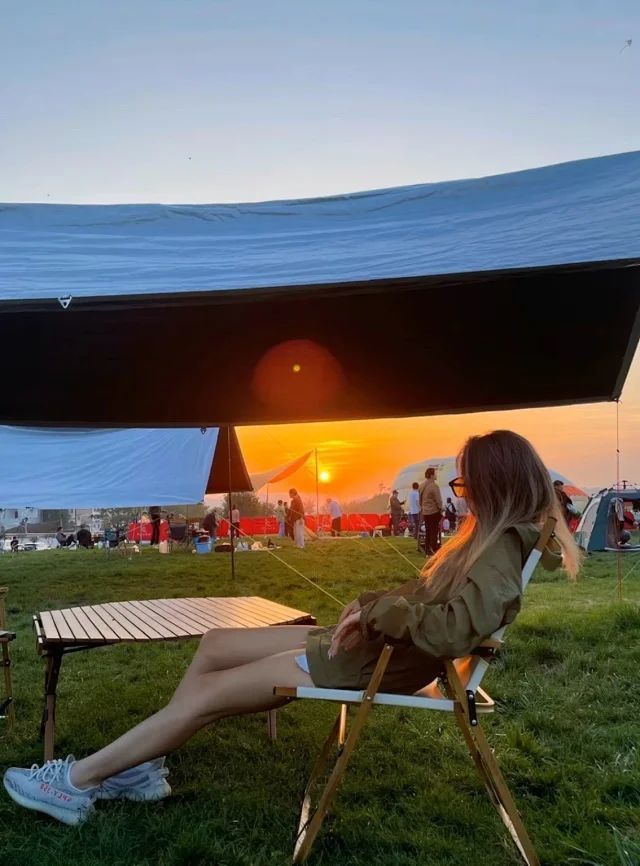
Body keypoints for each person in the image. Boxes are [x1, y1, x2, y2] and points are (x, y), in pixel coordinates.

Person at [2, 430, 580, 827]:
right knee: (216, 644)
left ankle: (76, 784)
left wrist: (374, 613)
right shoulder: (492, 539)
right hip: (370, 649)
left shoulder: (502, 549)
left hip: (373, 663)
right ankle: (141, 765)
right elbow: (427, 603)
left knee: (205, 696)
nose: (463, 496)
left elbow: (452, 632)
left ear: (496, 485)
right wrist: (370, 605)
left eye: (467, 485)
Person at [419, 468, 443, 555]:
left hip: (425, 512)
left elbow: (420, 500)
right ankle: (433, 549)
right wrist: (441, 509)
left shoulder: (421, 486)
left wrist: (423, 507)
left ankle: (427, 549)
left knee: (428, 531)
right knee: (434, 531)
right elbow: (438, 501)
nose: (436, 475)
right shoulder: (434, 486)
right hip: (433, 511)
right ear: (432, 475)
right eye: (435, 473)